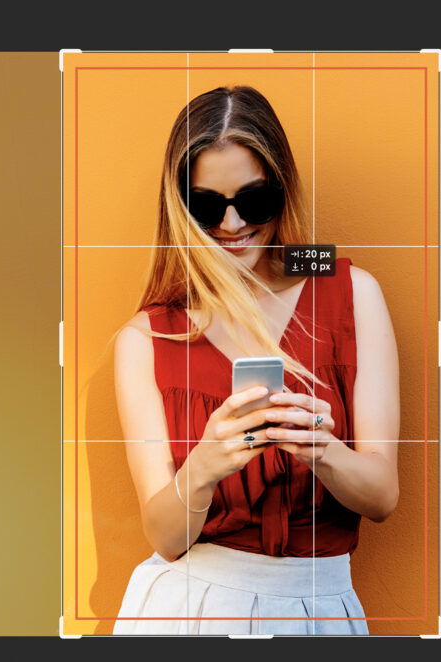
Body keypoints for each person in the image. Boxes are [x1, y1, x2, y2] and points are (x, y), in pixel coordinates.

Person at [111, 86, 400, 635]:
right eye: (207, 206)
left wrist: (322, 450)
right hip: (190, 609)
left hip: (319, 605)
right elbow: (166, 538)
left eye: (255, 200)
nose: (232, 224)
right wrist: (206, 464)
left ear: (282, 189)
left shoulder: (350, 291)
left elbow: (383, 497)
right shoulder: (148, 335)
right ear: (179, 205)